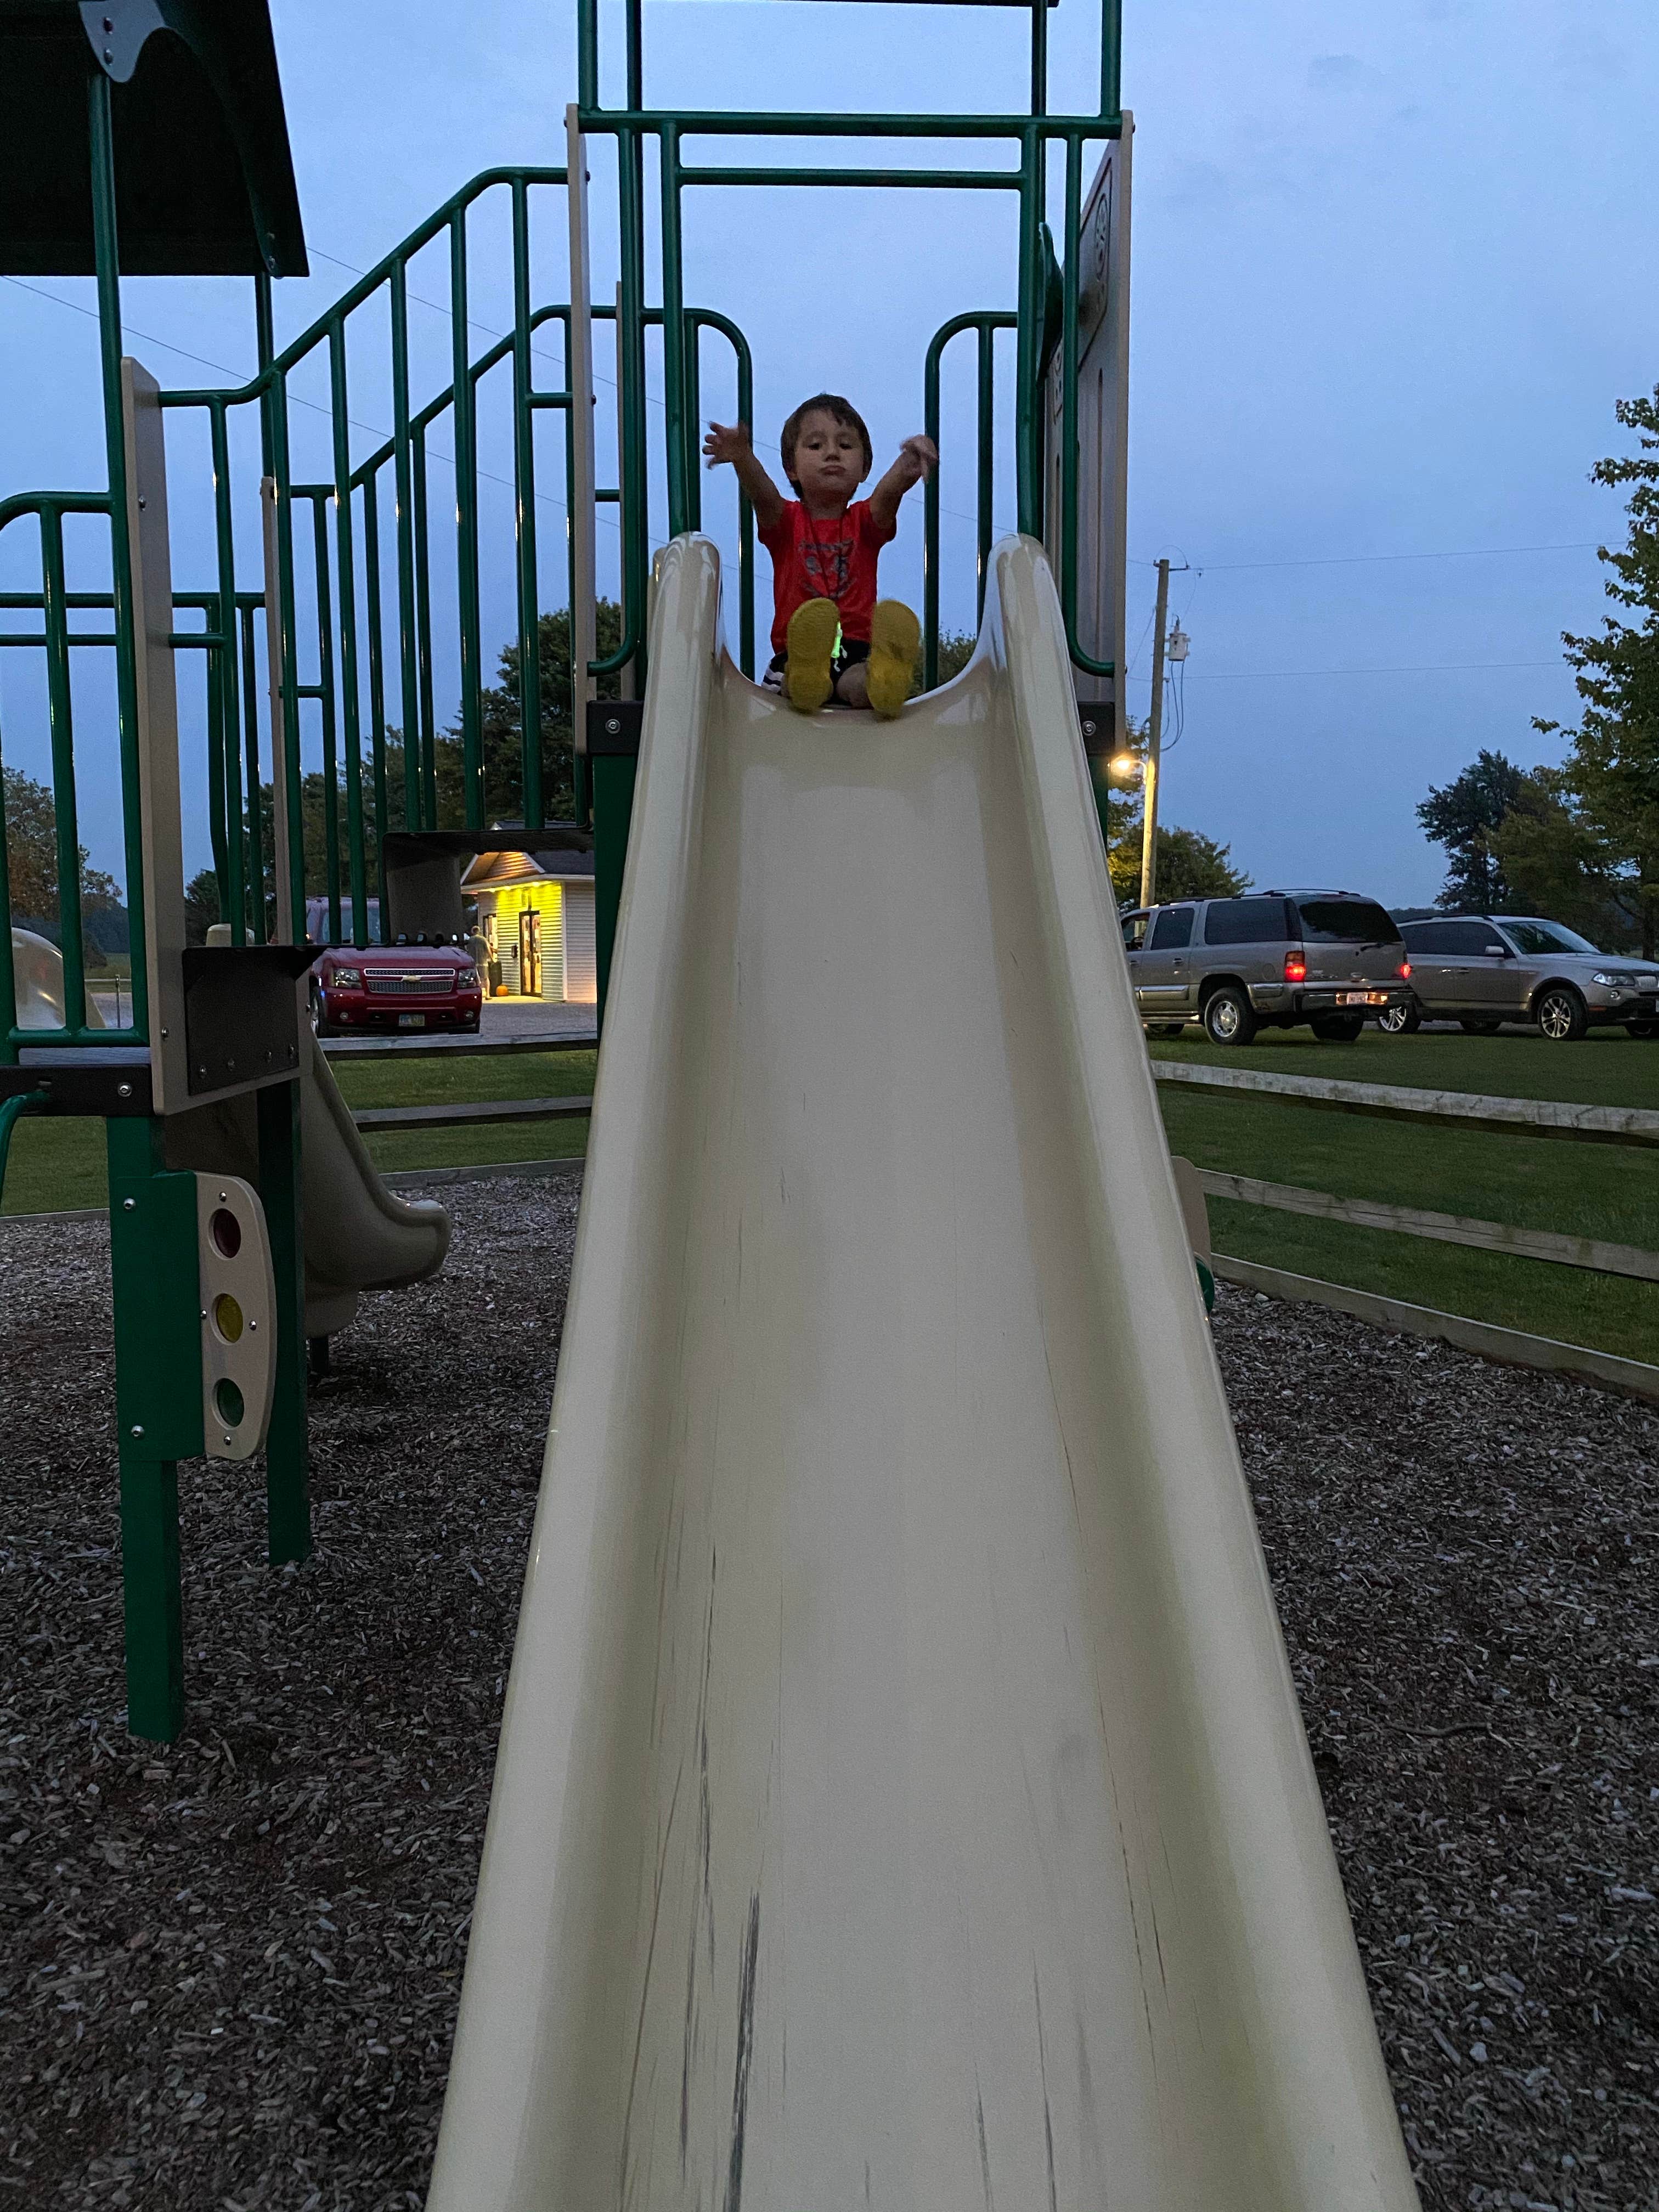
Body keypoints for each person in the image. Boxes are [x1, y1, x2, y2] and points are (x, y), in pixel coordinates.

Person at [702, 394, 936, 719]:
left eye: (846, 445)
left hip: (854, 651)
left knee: (860, 683)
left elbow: (887, 495)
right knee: (794, 680)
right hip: (796, 650)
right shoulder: (786, 523)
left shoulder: (864, 524)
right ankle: (808, 675)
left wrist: (907, 465)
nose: (832, 453)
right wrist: (744, 458)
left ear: (865, 468)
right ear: (791, 468)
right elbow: (763, 494)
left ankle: (884, 678)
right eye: (815, 446)